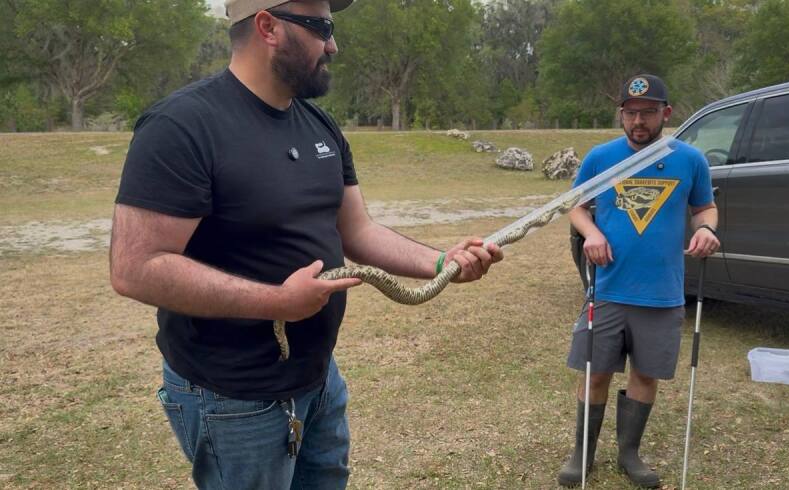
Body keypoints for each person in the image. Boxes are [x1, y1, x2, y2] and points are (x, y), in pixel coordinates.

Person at [109, 1, 503, 488]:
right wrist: (275, 302)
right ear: (267, 27)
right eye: (322, 28)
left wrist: (442, 262)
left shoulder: (320, 127)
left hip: (318, 381)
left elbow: (357, 232)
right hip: (233, 396)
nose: (333, 45)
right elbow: (135, 266)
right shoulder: (182, 126)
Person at [557, 74, 720, 488]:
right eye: (631, 113)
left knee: (645, 375)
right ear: (621, 115)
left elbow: (705, 209)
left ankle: (629, 453)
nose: (638, 122)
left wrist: (706, 230)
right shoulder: (600, 157)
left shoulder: (690, 160)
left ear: (666, 113)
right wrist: (591, 232)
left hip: (662, 293)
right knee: (595, 371)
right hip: (609, 288)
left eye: (648, 113)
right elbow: (575, 206)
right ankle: (584, 453)